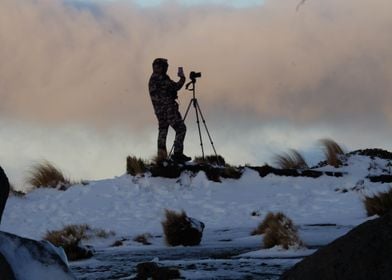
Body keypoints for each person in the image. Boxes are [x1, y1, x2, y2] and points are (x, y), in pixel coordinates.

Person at [148, 58, 191, 163]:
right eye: (165, 66)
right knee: (181, 129)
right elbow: (176, 87)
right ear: (162, 67)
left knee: (163, 131)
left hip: (159, 111)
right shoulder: (162, 78)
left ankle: (161, 157)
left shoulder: (152, 79)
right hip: (168, 110)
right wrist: (182, 78)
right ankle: (177, 154)